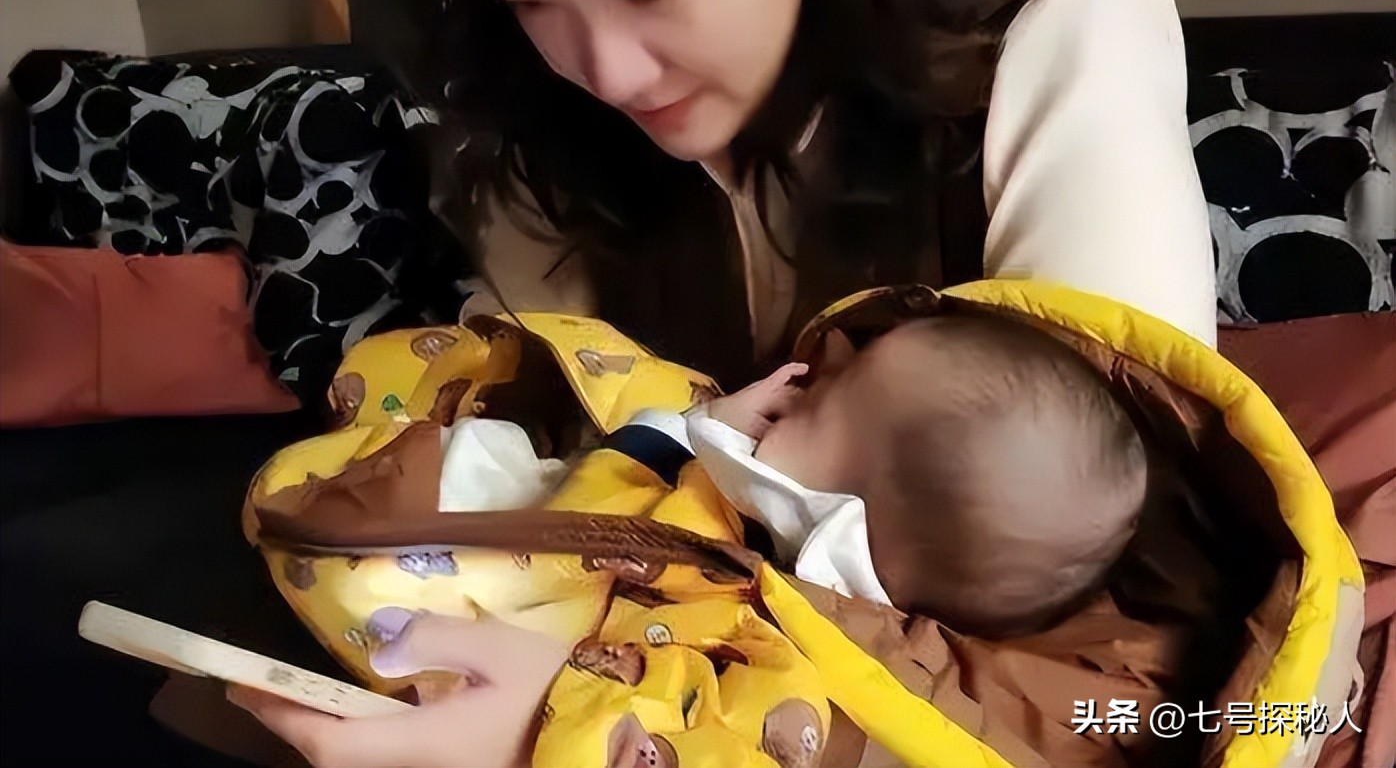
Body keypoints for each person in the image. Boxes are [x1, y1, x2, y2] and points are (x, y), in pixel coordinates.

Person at [235, 0, 1217, 763]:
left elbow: (1112, 655)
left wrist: (576, 722)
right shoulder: (544, 128)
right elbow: (560, 485)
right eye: (529, 1)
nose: (602, 68)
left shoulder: (1061, 45)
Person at [243, 297, 1149, 768]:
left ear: (834, 528)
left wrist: (682, 440)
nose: (803, 373)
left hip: (496, 618)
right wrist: (691, 430)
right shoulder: (745, 497)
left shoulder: (787, 655)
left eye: (820, 402)